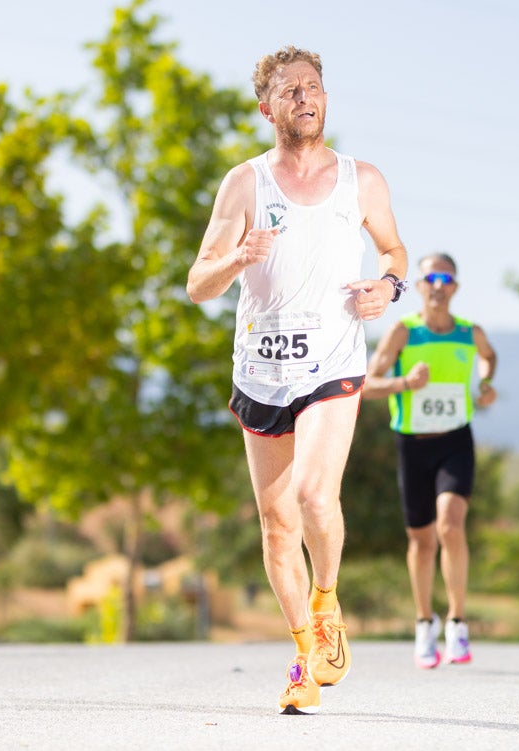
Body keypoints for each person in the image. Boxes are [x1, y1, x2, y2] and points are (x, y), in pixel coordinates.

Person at [187, 45, 408, 714]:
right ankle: (304, 658)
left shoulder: (360, 179)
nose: (305, 98)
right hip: (261, 368)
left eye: (313, 87)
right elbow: (199, 284)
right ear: (266, 108)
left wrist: (388, 286)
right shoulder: (245, 184)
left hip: (334, 361)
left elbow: (395, 251)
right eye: (290, 91)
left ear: (325, 99)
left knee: (315, 495)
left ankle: (327, 599)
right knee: (278, 524)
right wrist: (236, 258)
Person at [363, 253, 497, 668]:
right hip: (413, 445)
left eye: (446, 278)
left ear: (455, 286)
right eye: (430, 278)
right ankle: (424, 621)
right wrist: (406, 382)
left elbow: (489, 356)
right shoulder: (403, 332)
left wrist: (487, 382)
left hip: (456, 440)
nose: (438, 285)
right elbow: (368, 383)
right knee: (421, 541)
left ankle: (457, 621)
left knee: (449, 525)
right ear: (418, 286)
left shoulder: (469, 332)